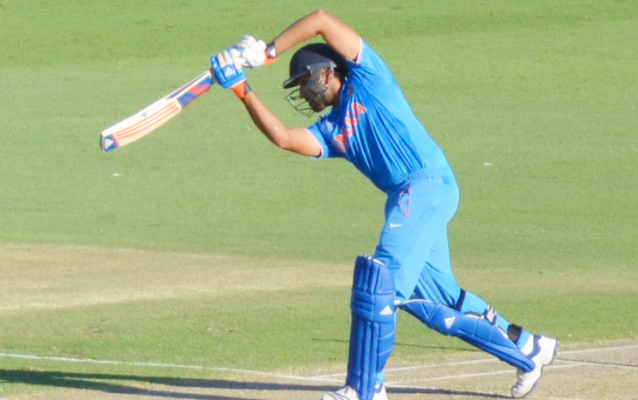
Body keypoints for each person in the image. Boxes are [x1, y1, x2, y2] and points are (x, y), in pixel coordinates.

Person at [209, 10, 559, 400]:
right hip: (412, 197)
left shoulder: (368, 78)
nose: (304, 94)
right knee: (434, 301)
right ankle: (529, 350)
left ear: (328, 72)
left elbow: (322, 19)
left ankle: (365, 388)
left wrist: (268, 53)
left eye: (306, 83)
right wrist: (242, 89)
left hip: (424, 185)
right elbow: (285, 138)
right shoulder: (332, 130)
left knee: (379, 285)